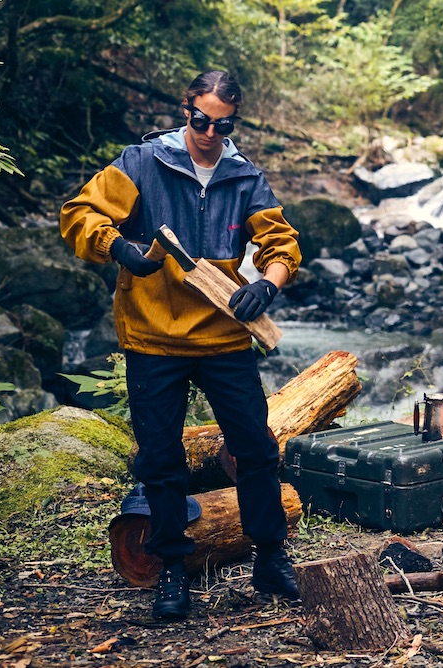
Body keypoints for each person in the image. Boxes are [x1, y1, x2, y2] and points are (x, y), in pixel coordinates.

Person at [61, 70, 303, 619]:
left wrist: (269, 282)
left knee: (258, 451)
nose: (209, 133)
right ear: (185, 110)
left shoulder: (244, 176)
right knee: (162, 459)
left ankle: (270, 558)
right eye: (200, 120)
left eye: (222, 124)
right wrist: (120, 248)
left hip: (224, 338)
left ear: (233, 121)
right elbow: (79, 213)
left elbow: (279, 243)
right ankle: (172, 568)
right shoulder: (143, 163)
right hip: (153, 338)